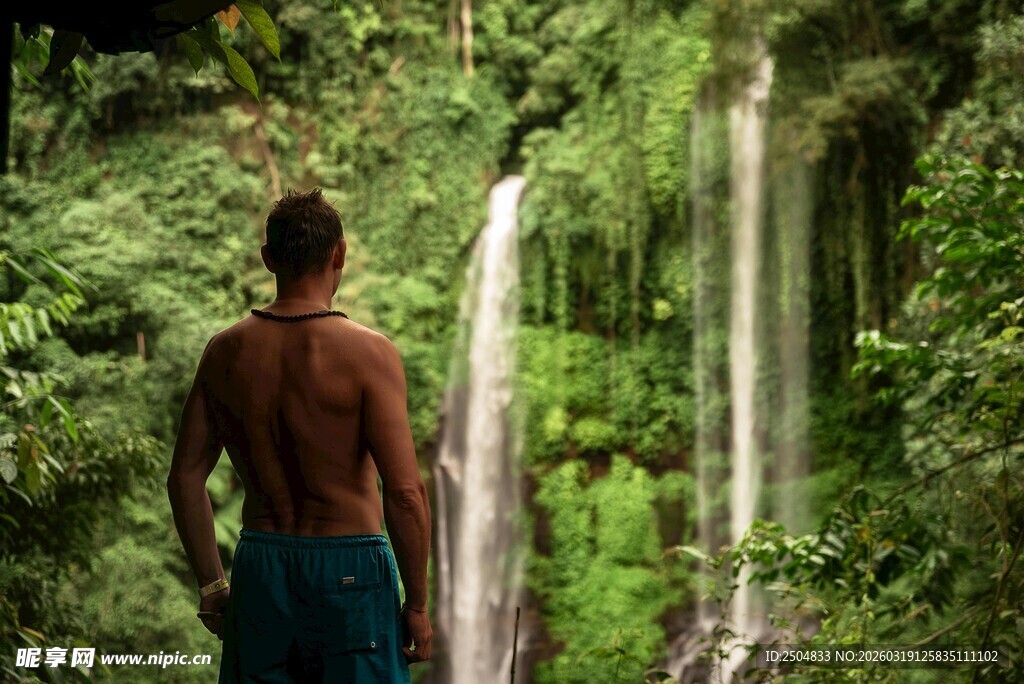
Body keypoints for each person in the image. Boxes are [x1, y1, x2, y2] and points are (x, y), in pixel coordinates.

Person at [167, 188, 432, 683]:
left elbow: (184, 478)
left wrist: (212, 584)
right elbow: (405, 492)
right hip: (352, 569)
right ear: (340, 254)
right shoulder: (370, 355)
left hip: (260, 566)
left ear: (268, 258)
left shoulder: (224, 352)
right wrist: (416, 603)